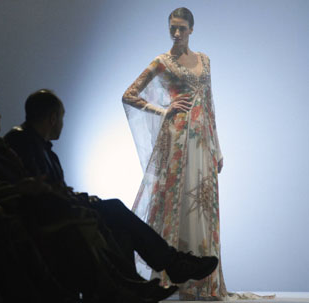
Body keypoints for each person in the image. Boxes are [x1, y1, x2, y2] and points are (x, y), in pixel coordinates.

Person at [4, 88, 220, 298]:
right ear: (52, 118)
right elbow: (39, 190)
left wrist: (77, 197)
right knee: (114, 208)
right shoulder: (23, 142)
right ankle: (170, 264)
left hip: (59, 210)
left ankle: (139, 283)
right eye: (61, 117)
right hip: (50, 216)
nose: (62, 123)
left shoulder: (37, 146)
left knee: (121, 230)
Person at [122, 7, 226, 300]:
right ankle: (170, 276)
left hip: (202, 141)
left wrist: (217, 146)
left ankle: (202, 280)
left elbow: (210, 103)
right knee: (174, 203)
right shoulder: (162, 62)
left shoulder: (204, 61)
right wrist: (163, 110)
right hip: (177, 139)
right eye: (173, 28)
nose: (177, 33)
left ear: (192, 29)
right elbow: (129, 94)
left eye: (182, 28)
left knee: (201, 205)